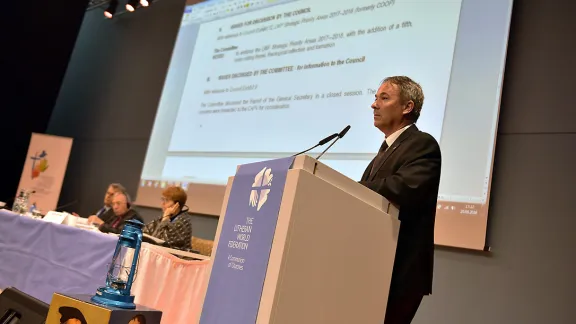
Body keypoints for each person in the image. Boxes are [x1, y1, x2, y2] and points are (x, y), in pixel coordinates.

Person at [358, 76, 442, 324]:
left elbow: (404, 188)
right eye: (375, 98)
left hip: (401, 270)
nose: (374, 105)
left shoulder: (422, 144)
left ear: (408, 107)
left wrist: (354, 187)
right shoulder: (386, 149)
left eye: (384, 98)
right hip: (376, 265)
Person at [143, 186, 193, 252]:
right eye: (163, 199)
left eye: (166, 200)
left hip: (177, 258)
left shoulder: (182, 221)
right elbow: (145, 233)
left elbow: (161, 242)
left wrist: (166, 218)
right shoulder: (163, 218)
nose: (163, 203)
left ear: (177, 205)